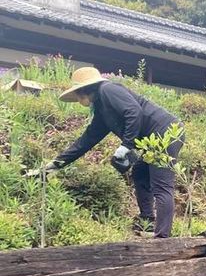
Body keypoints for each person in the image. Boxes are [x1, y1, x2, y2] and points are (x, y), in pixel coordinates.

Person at [30, 67, 183, 238]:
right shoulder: (102, 111)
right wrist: (54, 165)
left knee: (161, 184)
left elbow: (134, 111)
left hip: (166, 132)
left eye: (78, 96)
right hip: (153, 138)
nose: (78, 101)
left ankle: (162, 238)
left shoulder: (107, 89)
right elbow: (85, 141)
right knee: (140, 173)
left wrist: (126, 145)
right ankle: (147, 222)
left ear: (83, 91)